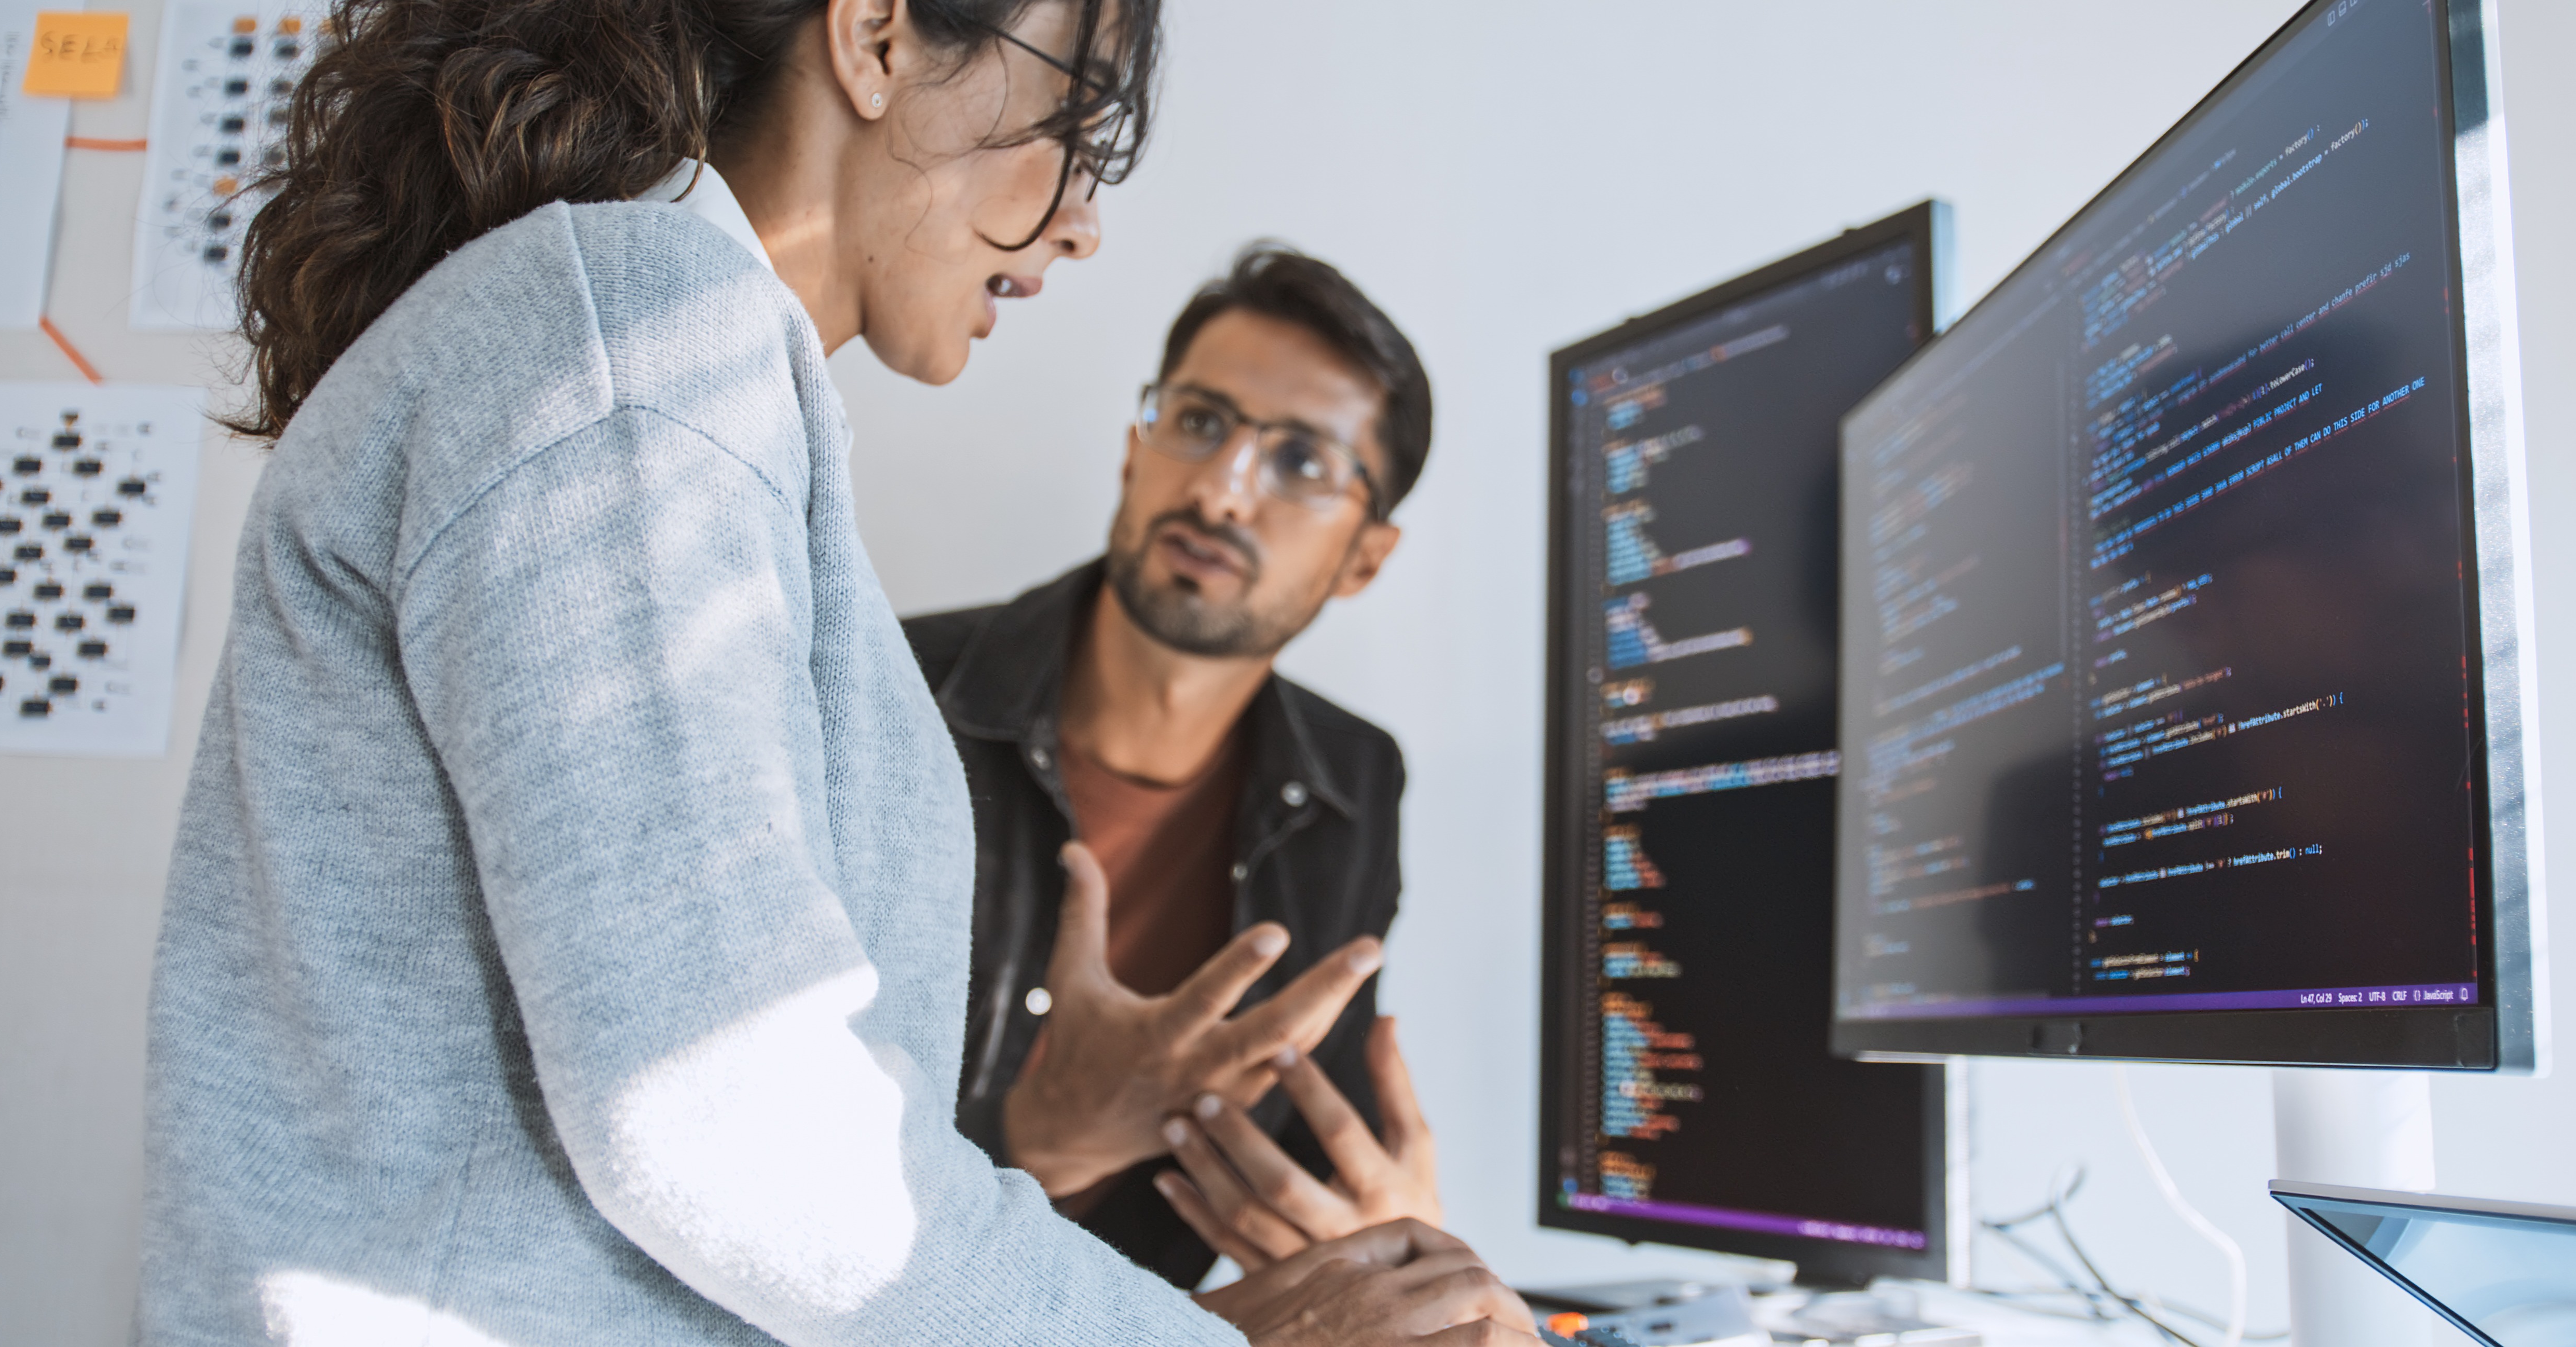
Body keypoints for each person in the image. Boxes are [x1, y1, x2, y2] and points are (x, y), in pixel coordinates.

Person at [132, 0, 1536, 1341]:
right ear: (878, 39)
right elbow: (726, 1115)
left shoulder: (700, 377)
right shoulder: (637, 344)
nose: (1087, 221)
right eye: (1076, 126)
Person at [900, 244, 1449, 1286]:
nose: (1221, 490)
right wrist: (1036, 1138)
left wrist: (1386, 1232)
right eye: (1198, 422)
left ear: (1365, 557)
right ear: (1133, 449)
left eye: (1300, 461)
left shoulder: (1352, 779)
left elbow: (1301, 1165)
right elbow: (762, 1156)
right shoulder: (889, 682)